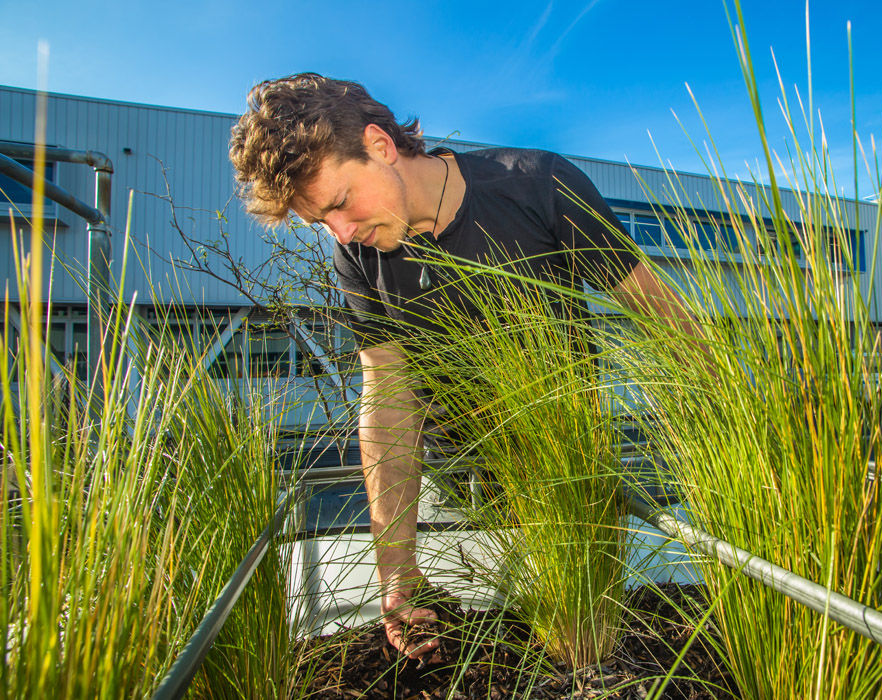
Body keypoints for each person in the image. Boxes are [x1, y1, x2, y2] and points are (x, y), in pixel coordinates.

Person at [229, 73, 699, 661]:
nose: (342, 233)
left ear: (379, 146)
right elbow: (388, 401)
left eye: (341, 203)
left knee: (587, 653)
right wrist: (397, 578)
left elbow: (667, 317)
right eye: (321, 222)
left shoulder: (536, 186)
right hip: (451, 497)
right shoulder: (357, 253)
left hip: (571, 480)